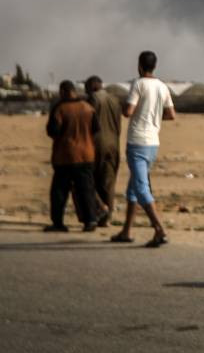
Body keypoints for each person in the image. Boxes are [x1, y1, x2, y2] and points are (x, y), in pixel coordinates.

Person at [110, 51, 174, 248]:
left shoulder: (138, 84)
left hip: (137, 141)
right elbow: (171, 114)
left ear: (139, 65)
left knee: (141, 187)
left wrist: (132, 109)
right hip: (153, 142)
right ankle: (126, 231)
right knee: (134, 187)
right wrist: (153, 118)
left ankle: (159, 229)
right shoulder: (162, 86)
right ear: (155, 66)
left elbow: (128, 111)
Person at [44, 80, 101, 232]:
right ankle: (91, 220)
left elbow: (52, 131)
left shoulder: (60, 109)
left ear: (63, 92)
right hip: (87, 155)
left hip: (65, 156)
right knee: (86, 189)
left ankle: (58, 223)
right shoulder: (88, 108)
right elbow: (96, 129)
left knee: (59, 191)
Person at [85, 76, 122, 227]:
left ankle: (100, 209)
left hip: (96, 143)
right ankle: (107, 218)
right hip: (114, 143)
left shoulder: (92, 100)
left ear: (92, 87)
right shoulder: (115, 100)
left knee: (89, 180)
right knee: (109, 182)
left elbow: (88, 123)